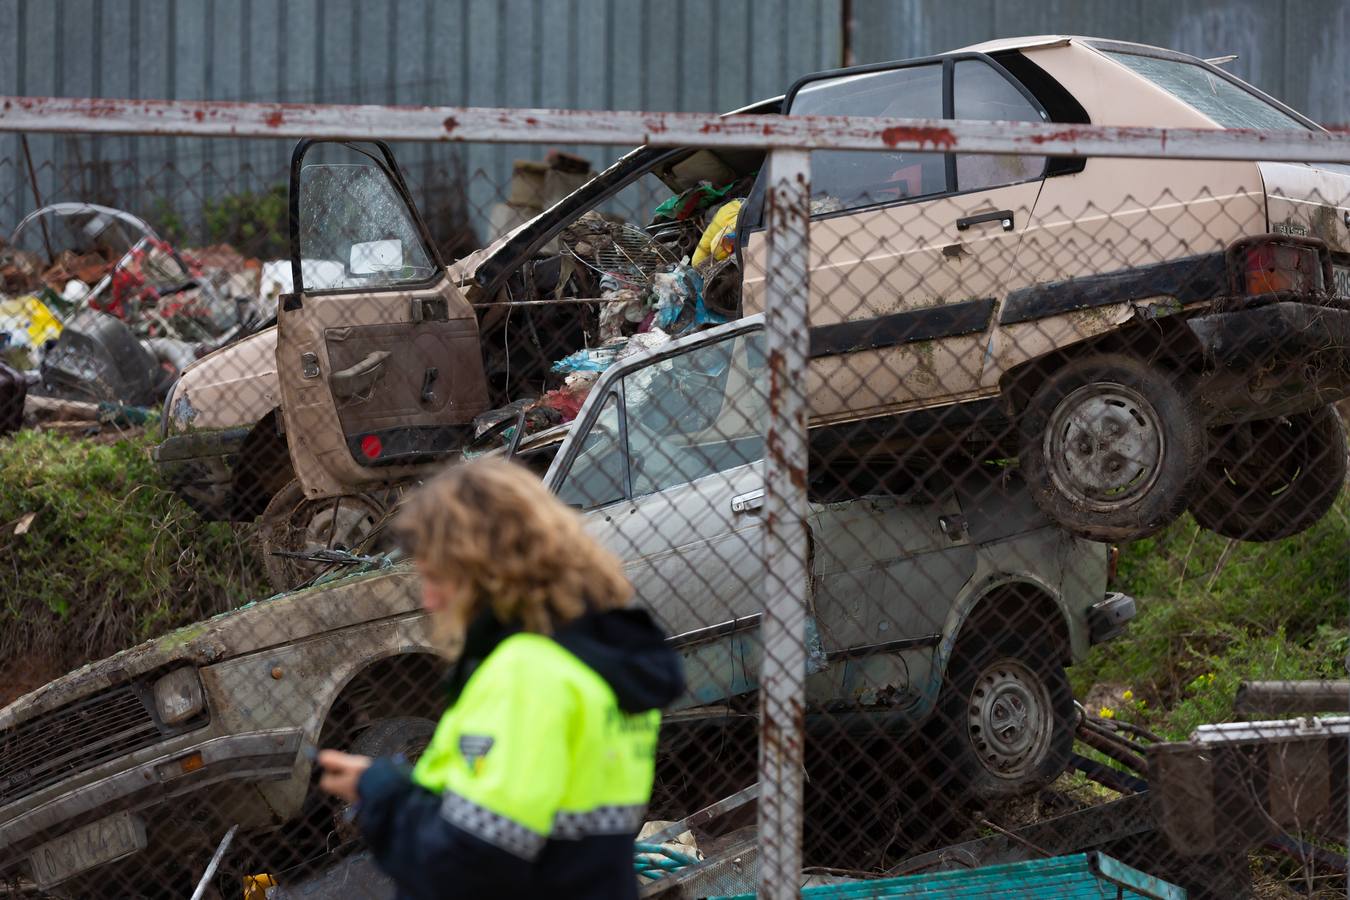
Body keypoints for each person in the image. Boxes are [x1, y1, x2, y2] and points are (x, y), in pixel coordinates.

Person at [316, 457, 684, 900]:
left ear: (484, 571)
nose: (430, 599)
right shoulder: (598, 661)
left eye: (437, 577)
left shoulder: (527, 672)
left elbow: (469, 865)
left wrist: (382, 794)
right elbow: (528, 819)